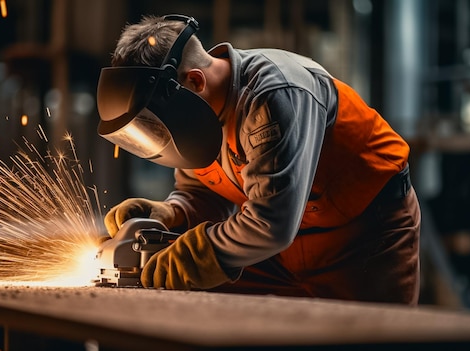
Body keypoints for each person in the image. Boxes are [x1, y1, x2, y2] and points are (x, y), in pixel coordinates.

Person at [96, 14, 421, 305]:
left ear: (195, 81)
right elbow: (205, 193)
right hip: (273, 246)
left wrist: (198, 254)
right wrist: (173, 212)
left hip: (363, 238)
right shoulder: (195, 116)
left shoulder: (275, 96)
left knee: (369, 339)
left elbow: (271, 222)